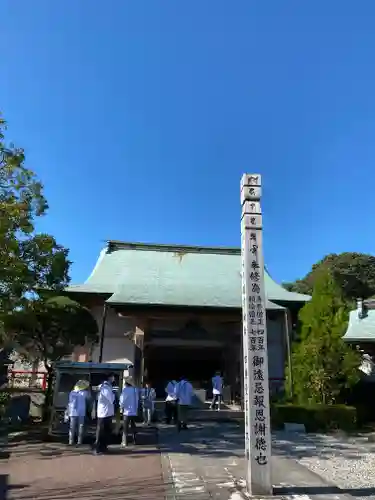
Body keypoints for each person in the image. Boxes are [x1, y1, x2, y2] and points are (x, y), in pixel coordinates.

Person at [94, 373, 115, 455]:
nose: (114, 379)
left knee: (105, 431)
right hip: (105, 413)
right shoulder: (105, 388)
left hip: (105, 412)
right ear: (109, 378)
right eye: (112, 377)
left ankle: (103, 447)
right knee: (102, 431)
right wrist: (114, 395)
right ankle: (98, 448)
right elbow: (111, 399)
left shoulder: (103, 387)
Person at [66, 379, 91, 446]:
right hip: (79, 412)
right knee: (79, 427)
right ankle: (77, 442)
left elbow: (69, 402)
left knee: (73, 427)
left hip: (74, 412)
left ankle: (72, 441)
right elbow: (89, 398)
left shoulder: (73, 392)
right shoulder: (83, 393)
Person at [119, 377, 139, 447]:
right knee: (133, 426)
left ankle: (125, 442)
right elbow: (137, 400)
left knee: (125, 427)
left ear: (126, 383)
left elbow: (122, 401)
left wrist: (121, 407)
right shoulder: (135, 390)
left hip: (127, 412)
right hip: (134, 411)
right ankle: (135, 440)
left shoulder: (125, 390)